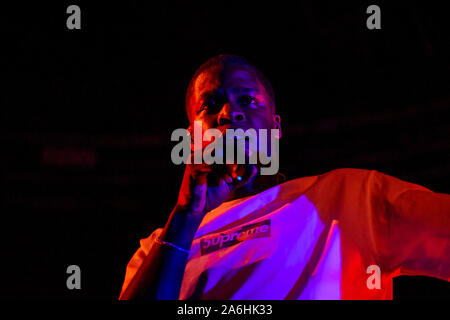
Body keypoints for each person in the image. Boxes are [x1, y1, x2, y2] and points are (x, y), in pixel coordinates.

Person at [118, 54, 450, 300]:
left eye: (247, 100)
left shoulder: (352, 194)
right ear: (192, 138)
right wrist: (187, 216)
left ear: (275, 129)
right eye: (210, 105)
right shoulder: (157, 249)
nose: (227, 113)